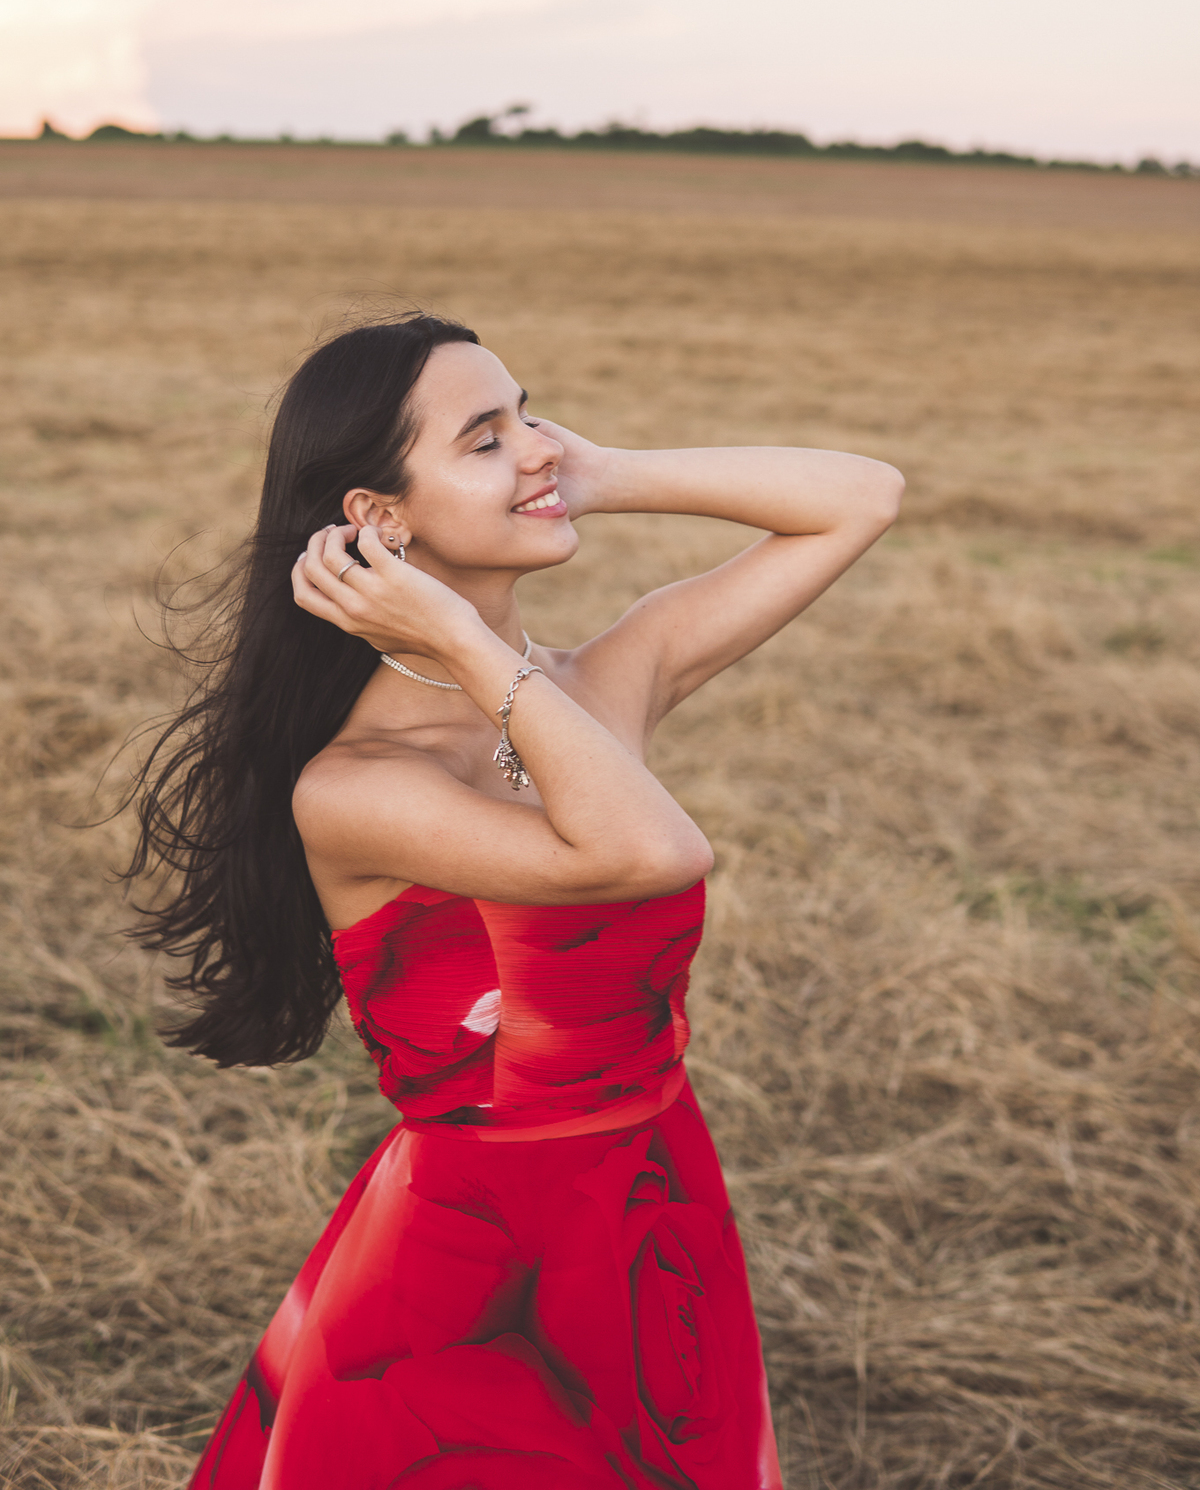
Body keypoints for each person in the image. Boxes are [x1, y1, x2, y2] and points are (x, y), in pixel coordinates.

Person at [127, 312, 903, 1489]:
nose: (534, 447)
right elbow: (647, 850)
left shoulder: (599, 683)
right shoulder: (359, 788)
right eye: (485, 439)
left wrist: (597, 472)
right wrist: (463, 641)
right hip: (478, 1273)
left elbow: (863, 496)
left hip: (655, 1200)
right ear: (378, 520)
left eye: (527, 413)